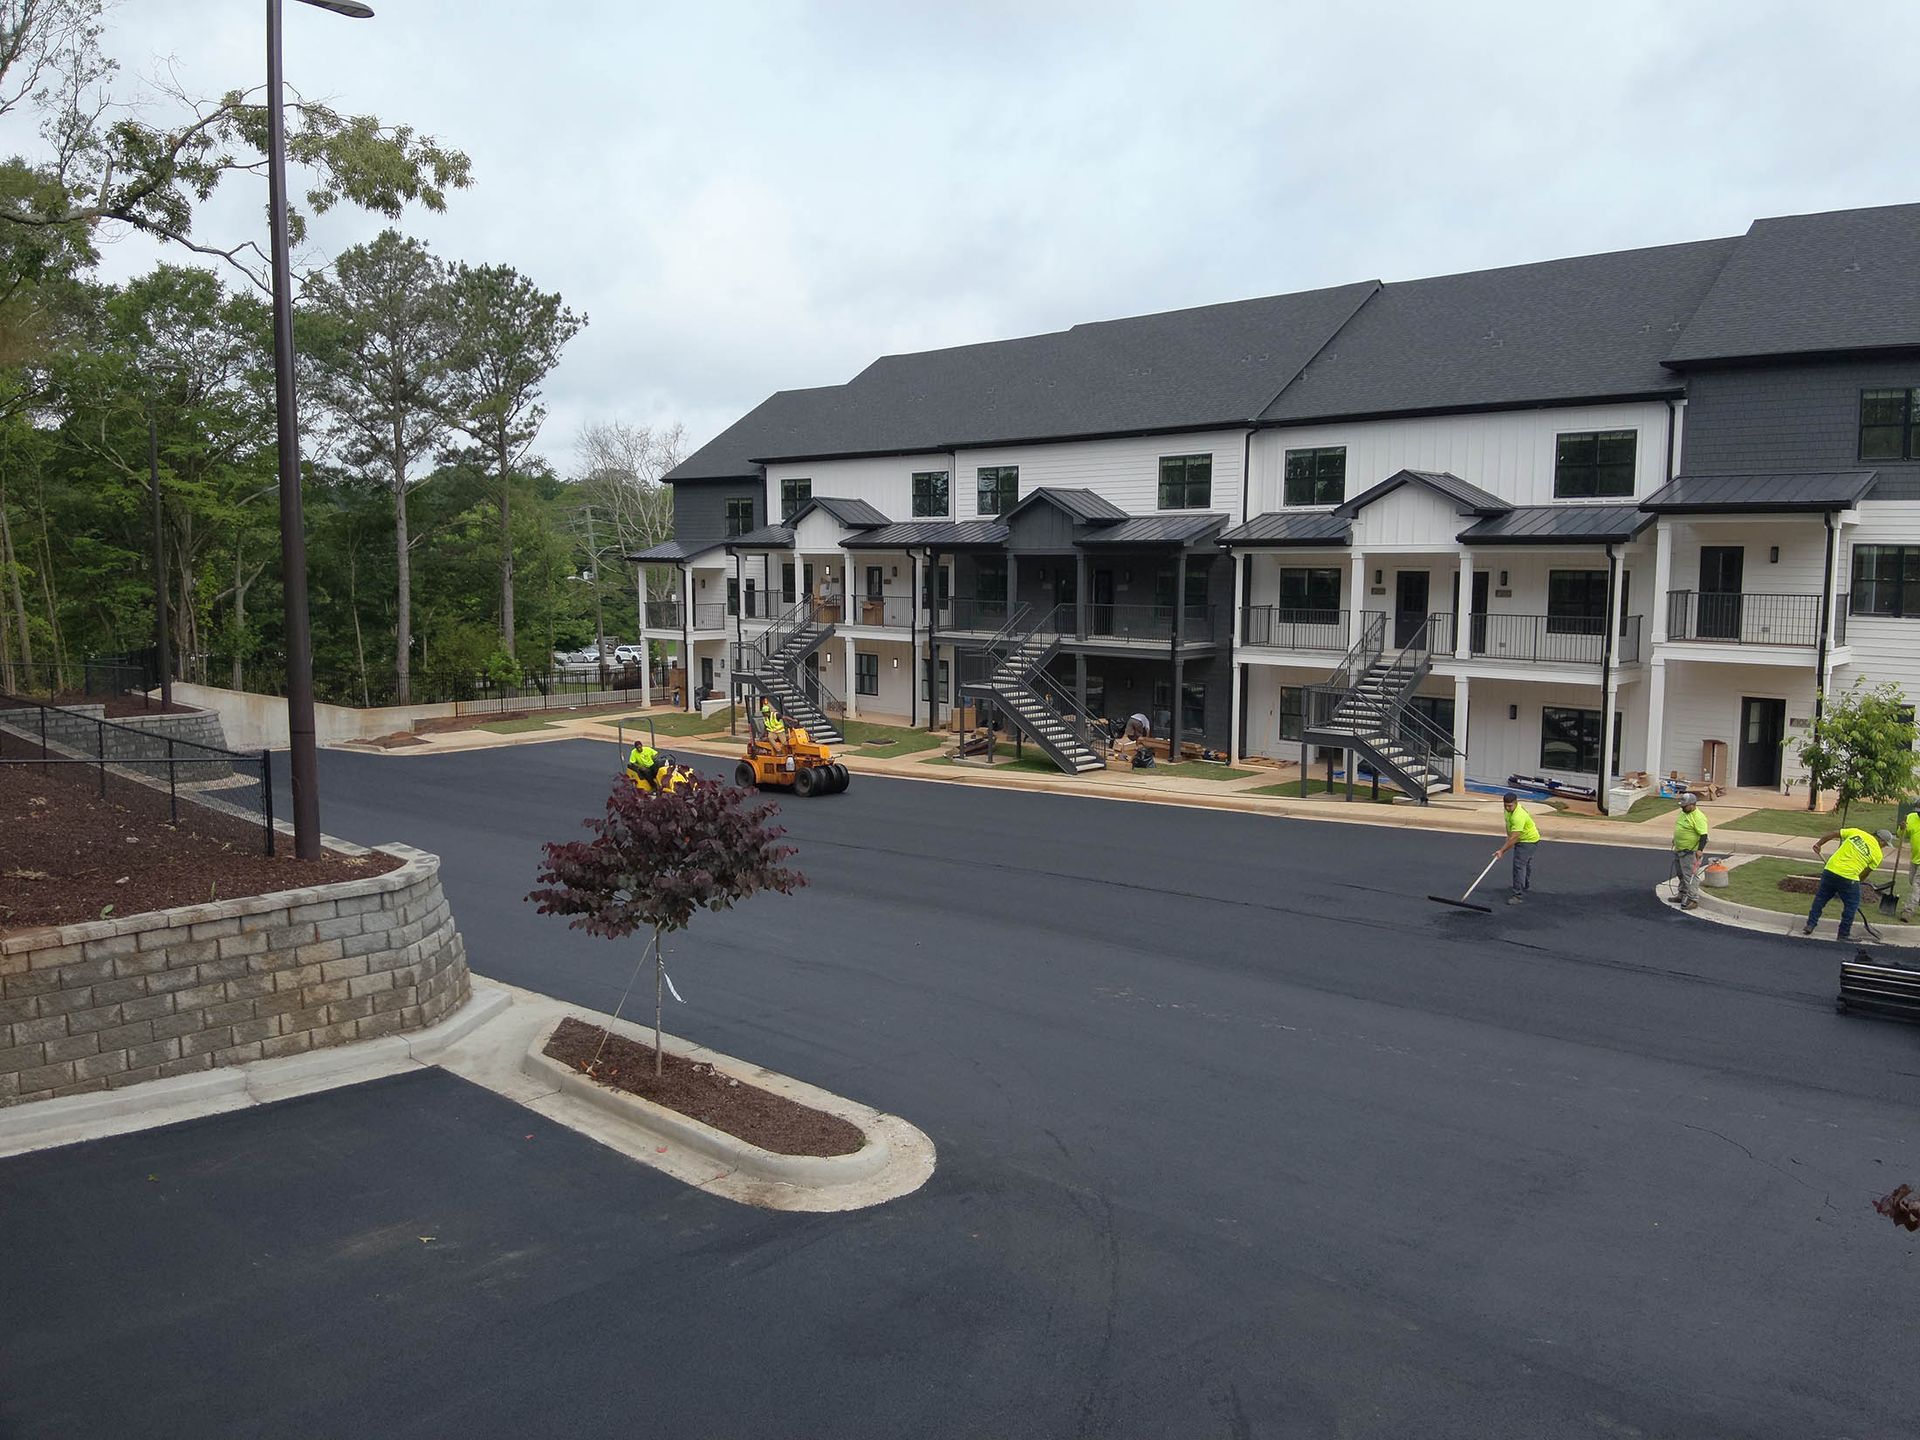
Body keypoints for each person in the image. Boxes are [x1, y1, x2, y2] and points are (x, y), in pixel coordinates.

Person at [1802, 825, 1894, 941]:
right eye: (1885, 844)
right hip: (1848, 877)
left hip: (1830, 870)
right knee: (1852, 905)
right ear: (1881, 840)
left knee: (1821, 899)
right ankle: (1843, 934)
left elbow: (1833, 833)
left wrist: (1819, 844)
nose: (1884, 847)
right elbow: (1866, 873)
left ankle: (1810, 924)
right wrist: (1857, 882)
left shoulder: (1856, 832)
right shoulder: (1877, 854)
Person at [1494, 791, 1539, 905]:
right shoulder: (1507, 810)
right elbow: (1509, 825)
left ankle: (1517, 895)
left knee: (1519, 866)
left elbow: (1515, 837)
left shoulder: (1519, 816)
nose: (1508, 808)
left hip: (1528, 840)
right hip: (1521, 838)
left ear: (1516, 803)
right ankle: (1524, 885)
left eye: (1510, 806)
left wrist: (1502, 851)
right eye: (1505, 806)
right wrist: (1509, 837)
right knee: (1525, 864)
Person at [1670, 793, 1710, 909]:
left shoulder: (1698, 817)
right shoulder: (1683, 813)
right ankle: (1682, 894)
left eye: (1685, 806)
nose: (1682, 808)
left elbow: (1703, 835)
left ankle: (1693, 899)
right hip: (1679, 849)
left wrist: (1700, 850)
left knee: (1690, 876)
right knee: (1680, 874)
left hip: (1690, 852)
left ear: (1692, 805)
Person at [1899, 807, 1920, 923]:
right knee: (1912, 881)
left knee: (1917, 883)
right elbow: (1901, 834)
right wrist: (1901, 828)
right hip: (1915, 858)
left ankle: (1908, 910)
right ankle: (1917, 901)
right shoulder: (1911, 817)